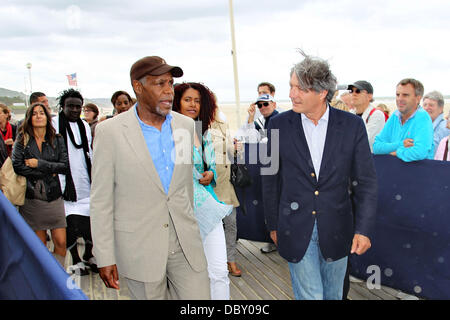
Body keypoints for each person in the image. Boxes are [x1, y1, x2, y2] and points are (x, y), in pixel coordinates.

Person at [90, 56, 210, 300]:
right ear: (138, 86)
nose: (168, 91)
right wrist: (104, 255)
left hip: (185, 245)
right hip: (139, 249)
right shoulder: (109, 132)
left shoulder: (185, 125)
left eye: (170, 83)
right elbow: (101, 200)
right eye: (159, 84)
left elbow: (185, 186)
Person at [262, 52, 377, 300]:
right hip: (293, 226)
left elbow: (366, 182)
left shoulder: (352, 126)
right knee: (311, 296)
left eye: (300, 88)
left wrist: (364, 229)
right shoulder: (277, 125)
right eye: (291, 86)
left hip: (338, 228)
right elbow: (269, 178)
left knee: (334, 295)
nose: (292, 94)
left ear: (322, 92)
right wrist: (273, 224)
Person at [173, 81, 232, 299]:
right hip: (181, 213)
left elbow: (210, 168)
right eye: (187, 99)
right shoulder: (169, 133)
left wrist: (210, 175)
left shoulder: (204, 132)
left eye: (197, 101)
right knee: (191, 275)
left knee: (218, 271)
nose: (193, 104)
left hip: (208, 209)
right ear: (177, 102)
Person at [11, 102, 69, 267]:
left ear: (47, 117)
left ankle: (59, 275)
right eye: (34, 113)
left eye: (41, 113)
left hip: (54, 197)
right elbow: (18, 167)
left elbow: (64, 166)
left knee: (61, 242)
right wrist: (48, 170)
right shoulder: (22, 139)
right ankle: (45, 279)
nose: (38, 116)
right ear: (29, 118)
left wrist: (39, 164)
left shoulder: (57, 139)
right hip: (33, 199)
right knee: (40, 247)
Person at [52, 89, 96, 276]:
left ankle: (89, 254)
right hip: (65, 184)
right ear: (63, 106)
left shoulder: (84, 126)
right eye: (71, 106)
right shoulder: (54, 124)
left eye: (78, 106)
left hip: (85, 181)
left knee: (88, 224)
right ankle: (75, 259)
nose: (75, 110)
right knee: (70, 225)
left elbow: (88, 152)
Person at [209, 107, 242, 277]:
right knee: (211, 227)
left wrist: (236, 148)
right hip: (207, 185)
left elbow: (230, 151)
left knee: (231, 224)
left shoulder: (223, 123)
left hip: (225, 184)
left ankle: (231, 259)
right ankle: (215, 261)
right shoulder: (193, 125)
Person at [373, 79, 434, 161]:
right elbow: (376, 147)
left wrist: (396, 153)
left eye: (405, 95)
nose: (399, 99)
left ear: (418, 98)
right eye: (397, 95)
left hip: (417, 172)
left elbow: (419, 152)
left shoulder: (423, 118)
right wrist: (401, 144)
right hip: (394, 171)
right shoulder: (395, 116)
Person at [348, 81, 385, 152]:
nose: (353, 94)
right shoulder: (351, 113)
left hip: (371, 159)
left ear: (369, 96)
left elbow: (365, 140)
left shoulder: (376, 115)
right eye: (351, 91)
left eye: (358, 91)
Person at [423, 91, 450, 155]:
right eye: (425, 105)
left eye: (431, 105)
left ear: (441, 109)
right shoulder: (425, 126)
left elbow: (434, 150)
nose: (427, 108)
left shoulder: (445, 127)